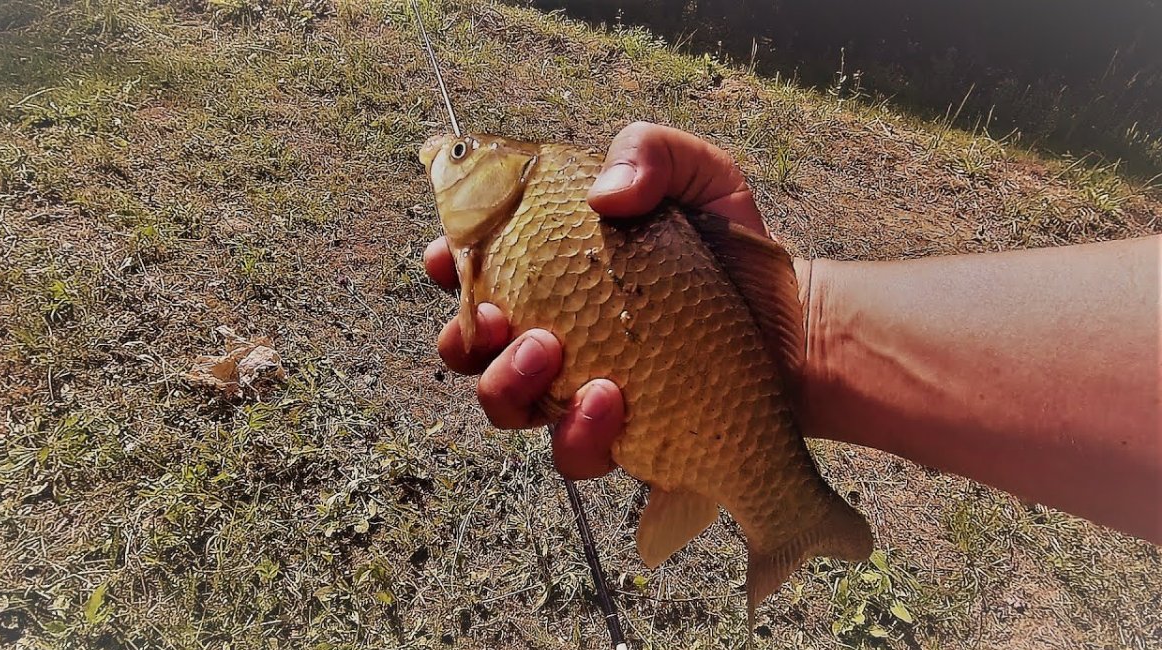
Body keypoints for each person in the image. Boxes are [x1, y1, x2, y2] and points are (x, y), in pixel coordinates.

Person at [422, 122, 1162, 545]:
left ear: (503, 172)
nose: (445, 159)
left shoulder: (535, 192)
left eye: (460, 153)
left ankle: (786, 514)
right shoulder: (495, 236)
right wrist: (802, 333)